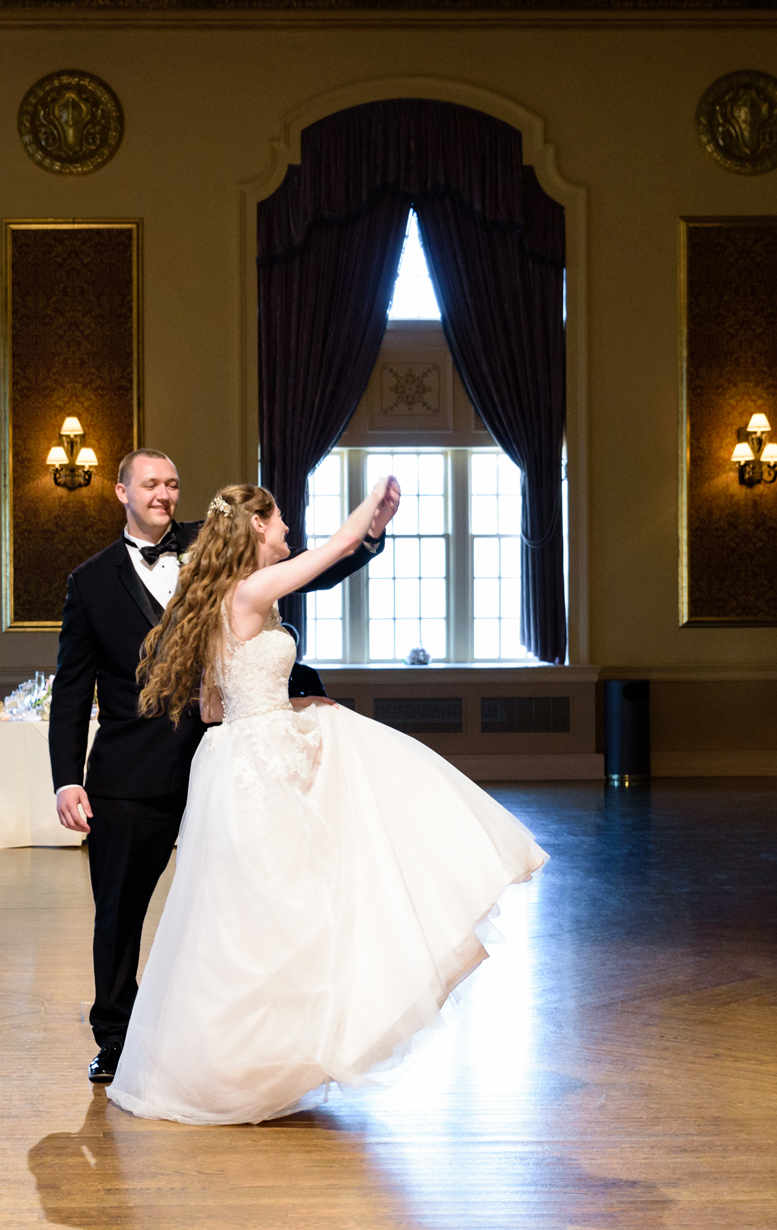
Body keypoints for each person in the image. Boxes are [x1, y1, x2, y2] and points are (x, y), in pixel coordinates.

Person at [103, 481, 547, 1125]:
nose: (287, 530)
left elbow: (210, 708)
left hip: (242, 756)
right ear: (256, 528)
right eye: (279, 519)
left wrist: (291, 709)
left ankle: (255, 1056)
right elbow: (336, 548)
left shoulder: (225, 602)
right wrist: (373, 508)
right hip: (259, 766)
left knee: (257, 912)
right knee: (281, 907)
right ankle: (253, 1061)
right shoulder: (253, 591)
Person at [50, 448, 397, 1087]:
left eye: (173, 482)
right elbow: (73, 688)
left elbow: (299, 572)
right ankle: (117, 1039)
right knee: (120, 911)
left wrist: (368, 539)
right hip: (131, 772)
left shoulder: (213, 548)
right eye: (151, 483)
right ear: (121, 492)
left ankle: (243, 1036)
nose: (164, 493)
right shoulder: (90, 580)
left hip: (223, 759)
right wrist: (67, 776)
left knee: (233, 908)